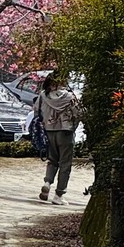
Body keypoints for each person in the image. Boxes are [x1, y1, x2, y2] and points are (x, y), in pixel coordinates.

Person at [36, 71, 82, 204]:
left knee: (52, 160)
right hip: (65, 132)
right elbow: (78, 113)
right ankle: (59, 195)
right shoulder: (69, 97)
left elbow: (36, 111)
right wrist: (73, 127)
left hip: (49, 131)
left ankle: (47, 183)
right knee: (65, 164)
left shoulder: (43, 96)